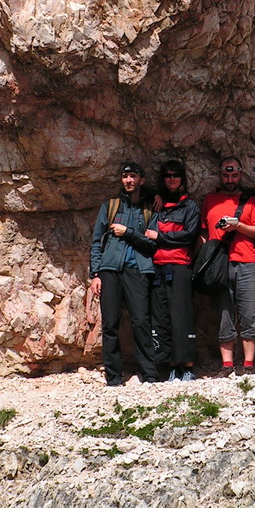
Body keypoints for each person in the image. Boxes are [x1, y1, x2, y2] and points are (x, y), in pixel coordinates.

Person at [90, 161, 160, 387]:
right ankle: (113, 378)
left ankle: (149, 375)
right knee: (110, 323)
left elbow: (152, 245)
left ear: (142, 180)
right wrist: (95, 274)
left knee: (141, 321)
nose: (128, 180)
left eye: (132, 177)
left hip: (137, 270)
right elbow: (96, 242)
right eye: (125, 177)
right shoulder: (110, 207)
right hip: (110, 270)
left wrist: (128, 232)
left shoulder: (150, 210)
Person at [201, 156, 255, 378]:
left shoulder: (250, 201)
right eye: (226, 175)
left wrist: (239, 226)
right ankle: (227, 365)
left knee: (249, 311)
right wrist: (204, 255)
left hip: (247, 260)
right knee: (224, 312)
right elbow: (203, 231)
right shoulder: (210, 200)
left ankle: (248, 364)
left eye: (234, 175)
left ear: (240, 175)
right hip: (219, 264)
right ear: (220, 175)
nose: (230, 179)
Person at [145, 159, 200, 381]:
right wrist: (153, 194)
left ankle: (187, 366)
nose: (172, 179)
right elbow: (135, 190)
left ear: (182, 179)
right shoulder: (155, 206)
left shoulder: (190, 206)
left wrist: (161, 237)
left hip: (179, 267)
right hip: (157, 267)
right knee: (161, 318)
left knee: (182, 316)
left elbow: (190, 235)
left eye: (176, 175)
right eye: (167, 175)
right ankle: (171, 366)